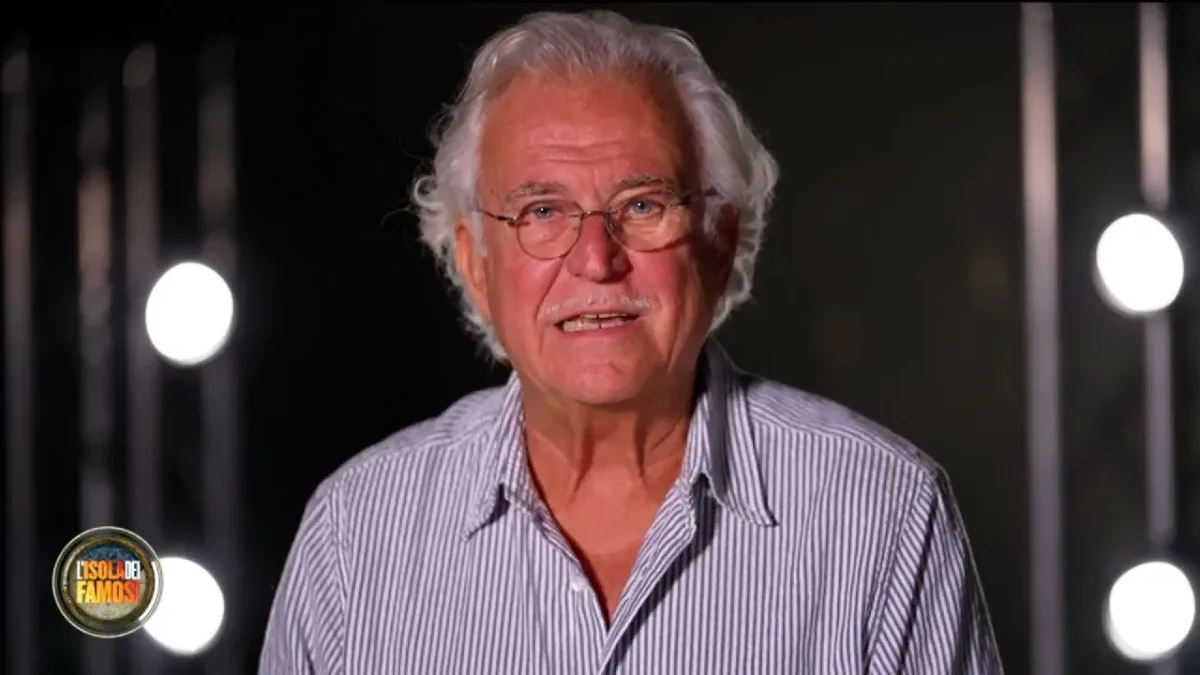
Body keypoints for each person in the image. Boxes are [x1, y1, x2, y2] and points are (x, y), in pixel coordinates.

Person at [259, 9, 1003, 674]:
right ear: (475, 265)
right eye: (542, 211)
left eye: (643, 204)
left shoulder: (883, 510)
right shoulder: (357, 531)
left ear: (719, 243)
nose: (596, 259)